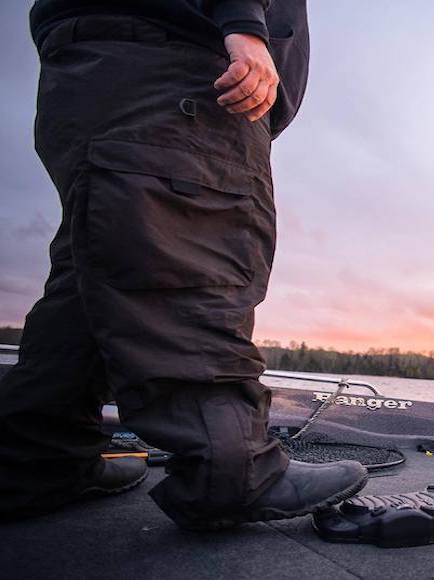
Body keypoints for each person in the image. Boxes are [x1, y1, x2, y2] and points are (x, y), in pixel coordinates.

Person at [0, 0, 367, 530]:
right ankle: (233, 471)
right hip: (181, 74)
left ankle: (37, 460)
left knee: (95, 274)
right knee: (194, 261)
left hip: (103, 71)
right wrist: (243, 26)